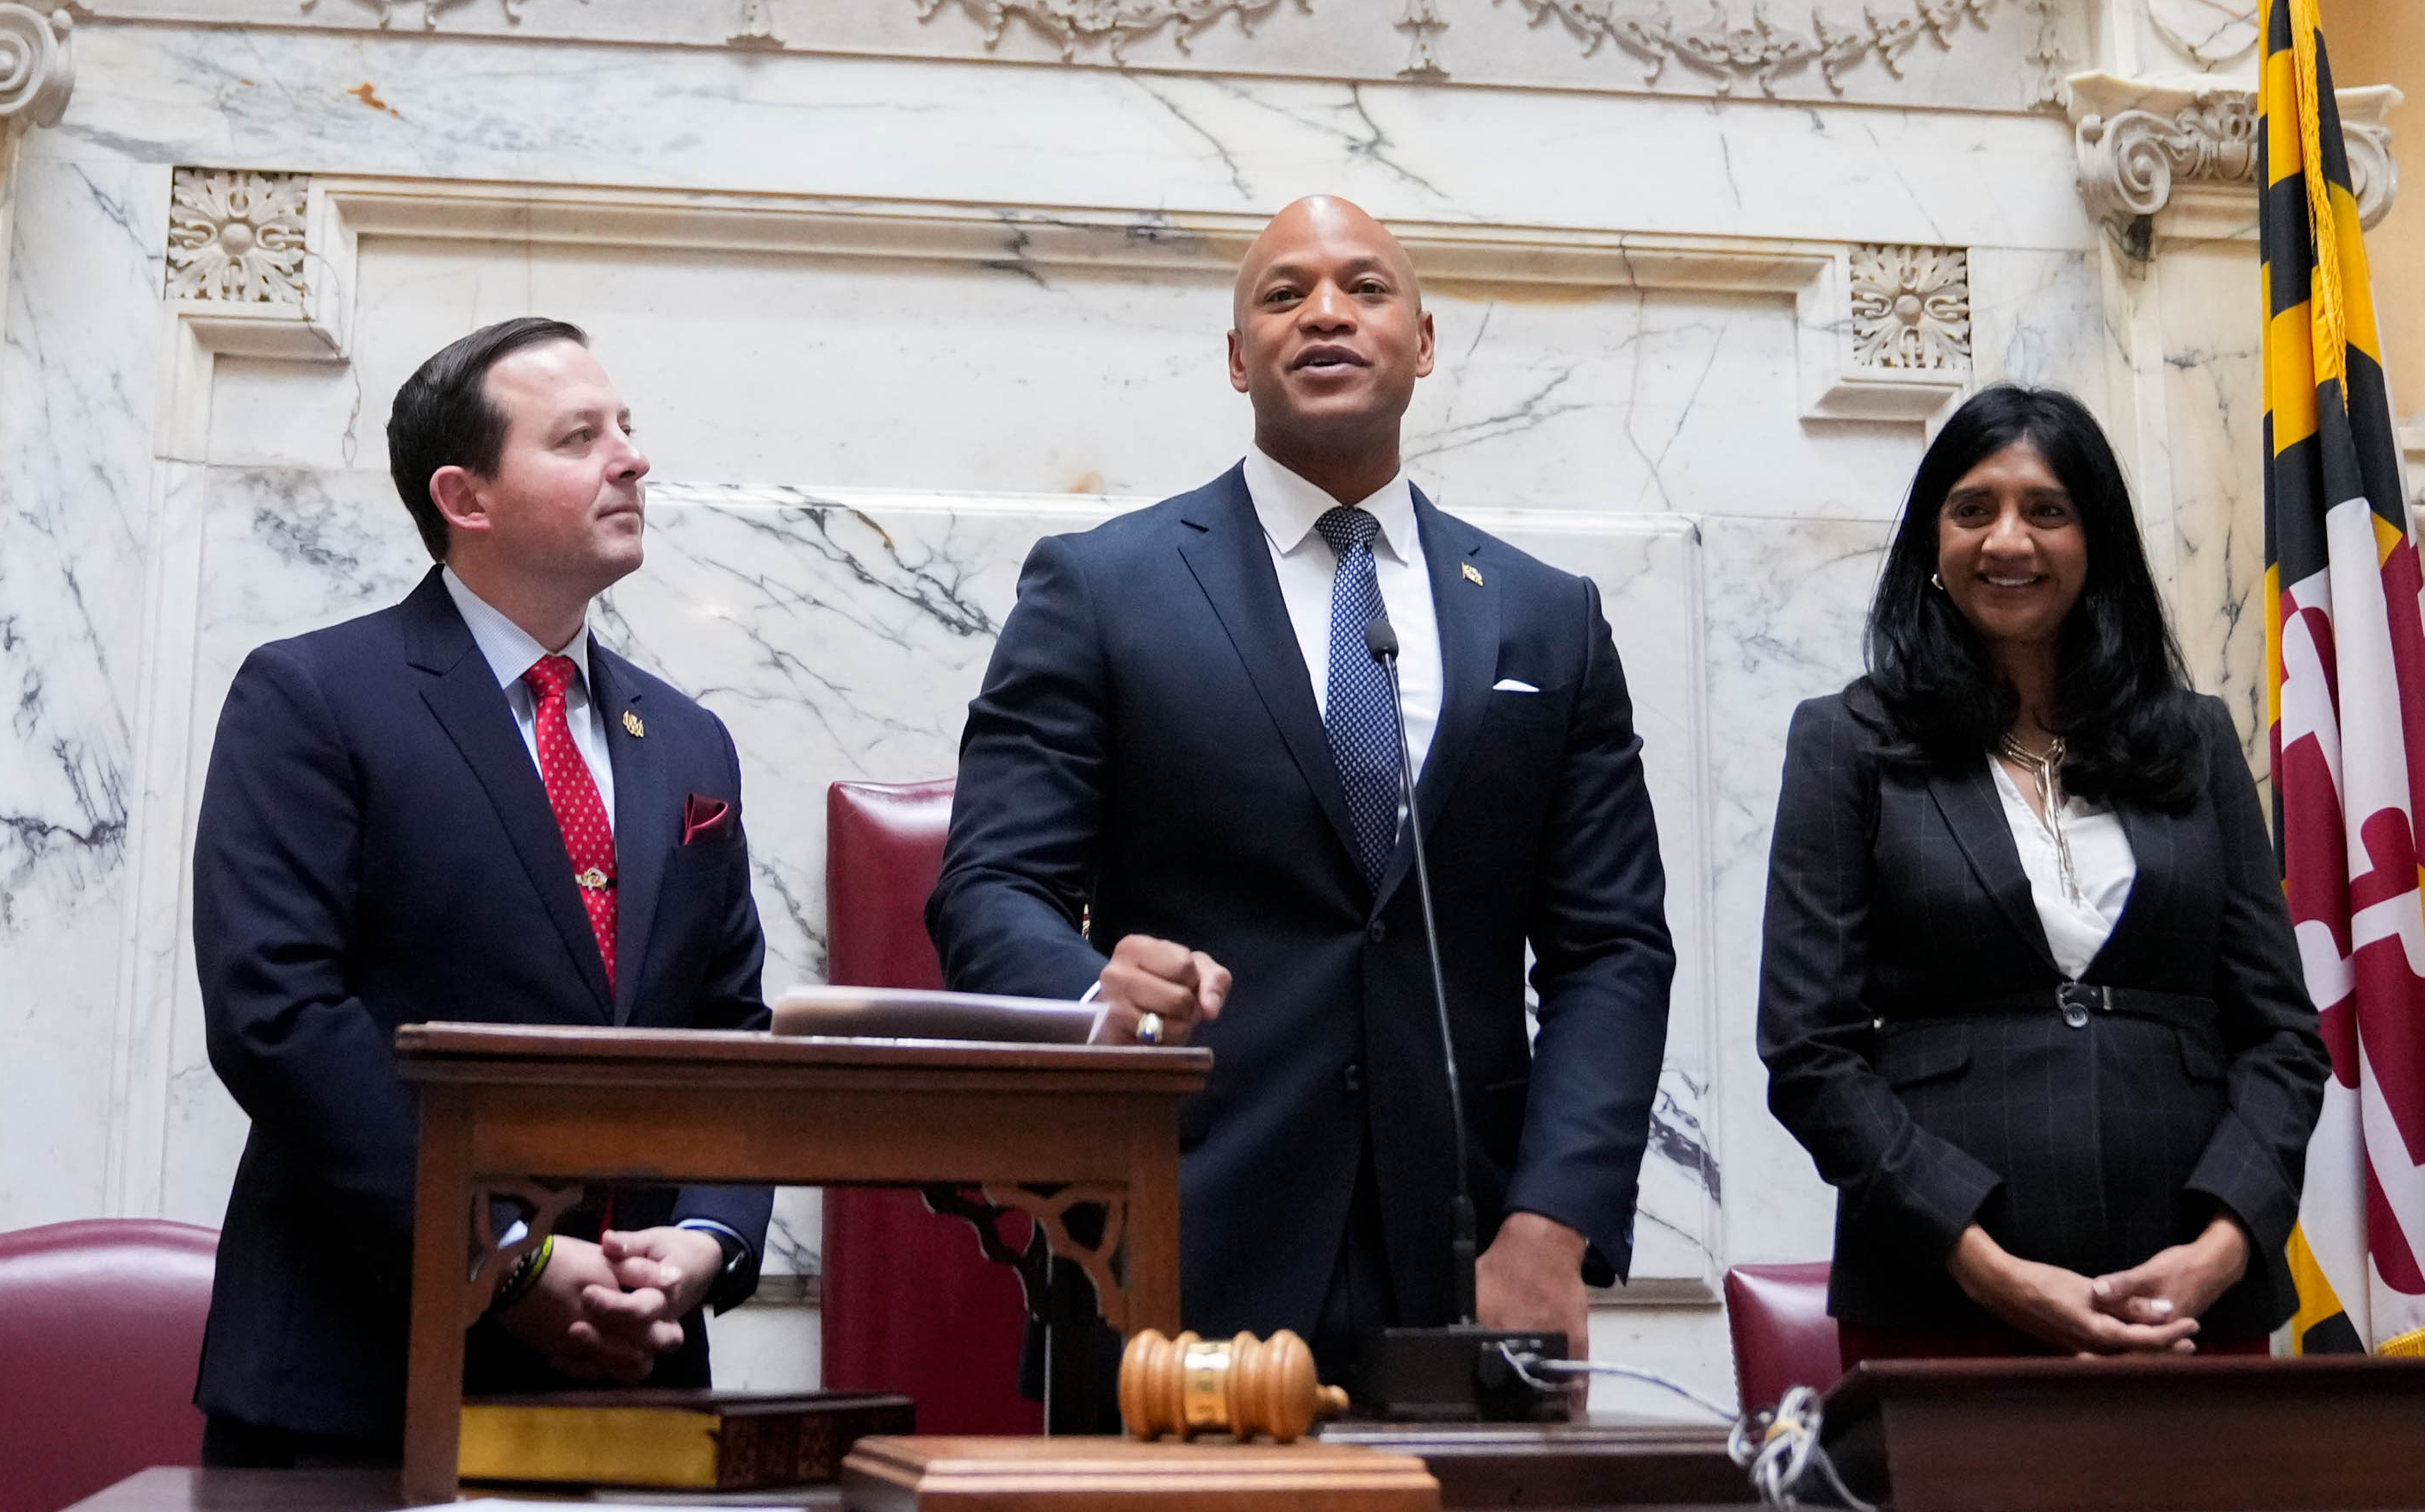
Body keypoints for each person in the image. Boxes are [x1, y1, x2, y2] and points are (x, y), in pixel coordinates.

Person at [928, 194, 1675, 1387]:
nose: (1325, 312)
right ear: (1237, 358)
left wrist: (1550, 1226)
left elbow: (1612, 949)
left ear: (1422, 343)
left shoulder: (1548, 618)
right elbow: (988, 890)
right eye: (1283, 294)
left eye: (1365, 288)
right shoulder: (1102, 589)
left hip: (1469, 1260)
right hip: (1171, 1237)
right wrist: (1096, 1002)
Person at [189, 316, 771, 1465]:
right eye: (578, 436)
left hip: (633, 1379)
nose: (630, 458)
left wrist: (704, 1239)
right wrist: (505, 1256)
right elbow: (277, 1018)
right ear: (465, 496)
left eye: (627, 429)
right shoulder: (313, 697)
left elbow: (730, 1027)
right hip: (357, 1379)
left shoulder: (688, 741)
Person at [1757, 383, 2328, 1354]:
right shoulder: (1846, 742)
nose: (2006, 540)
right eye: (1971, 509)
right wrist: (1984, 1265)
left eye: (2046, 510)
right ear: (1930, 547)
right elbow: (1810, 1052)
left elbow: (2279, 1036)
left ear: (2093, 540)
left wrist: (2223, 1245)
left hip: (2187, 1298)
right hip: (1939, 1293)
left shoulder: (2190, 739)